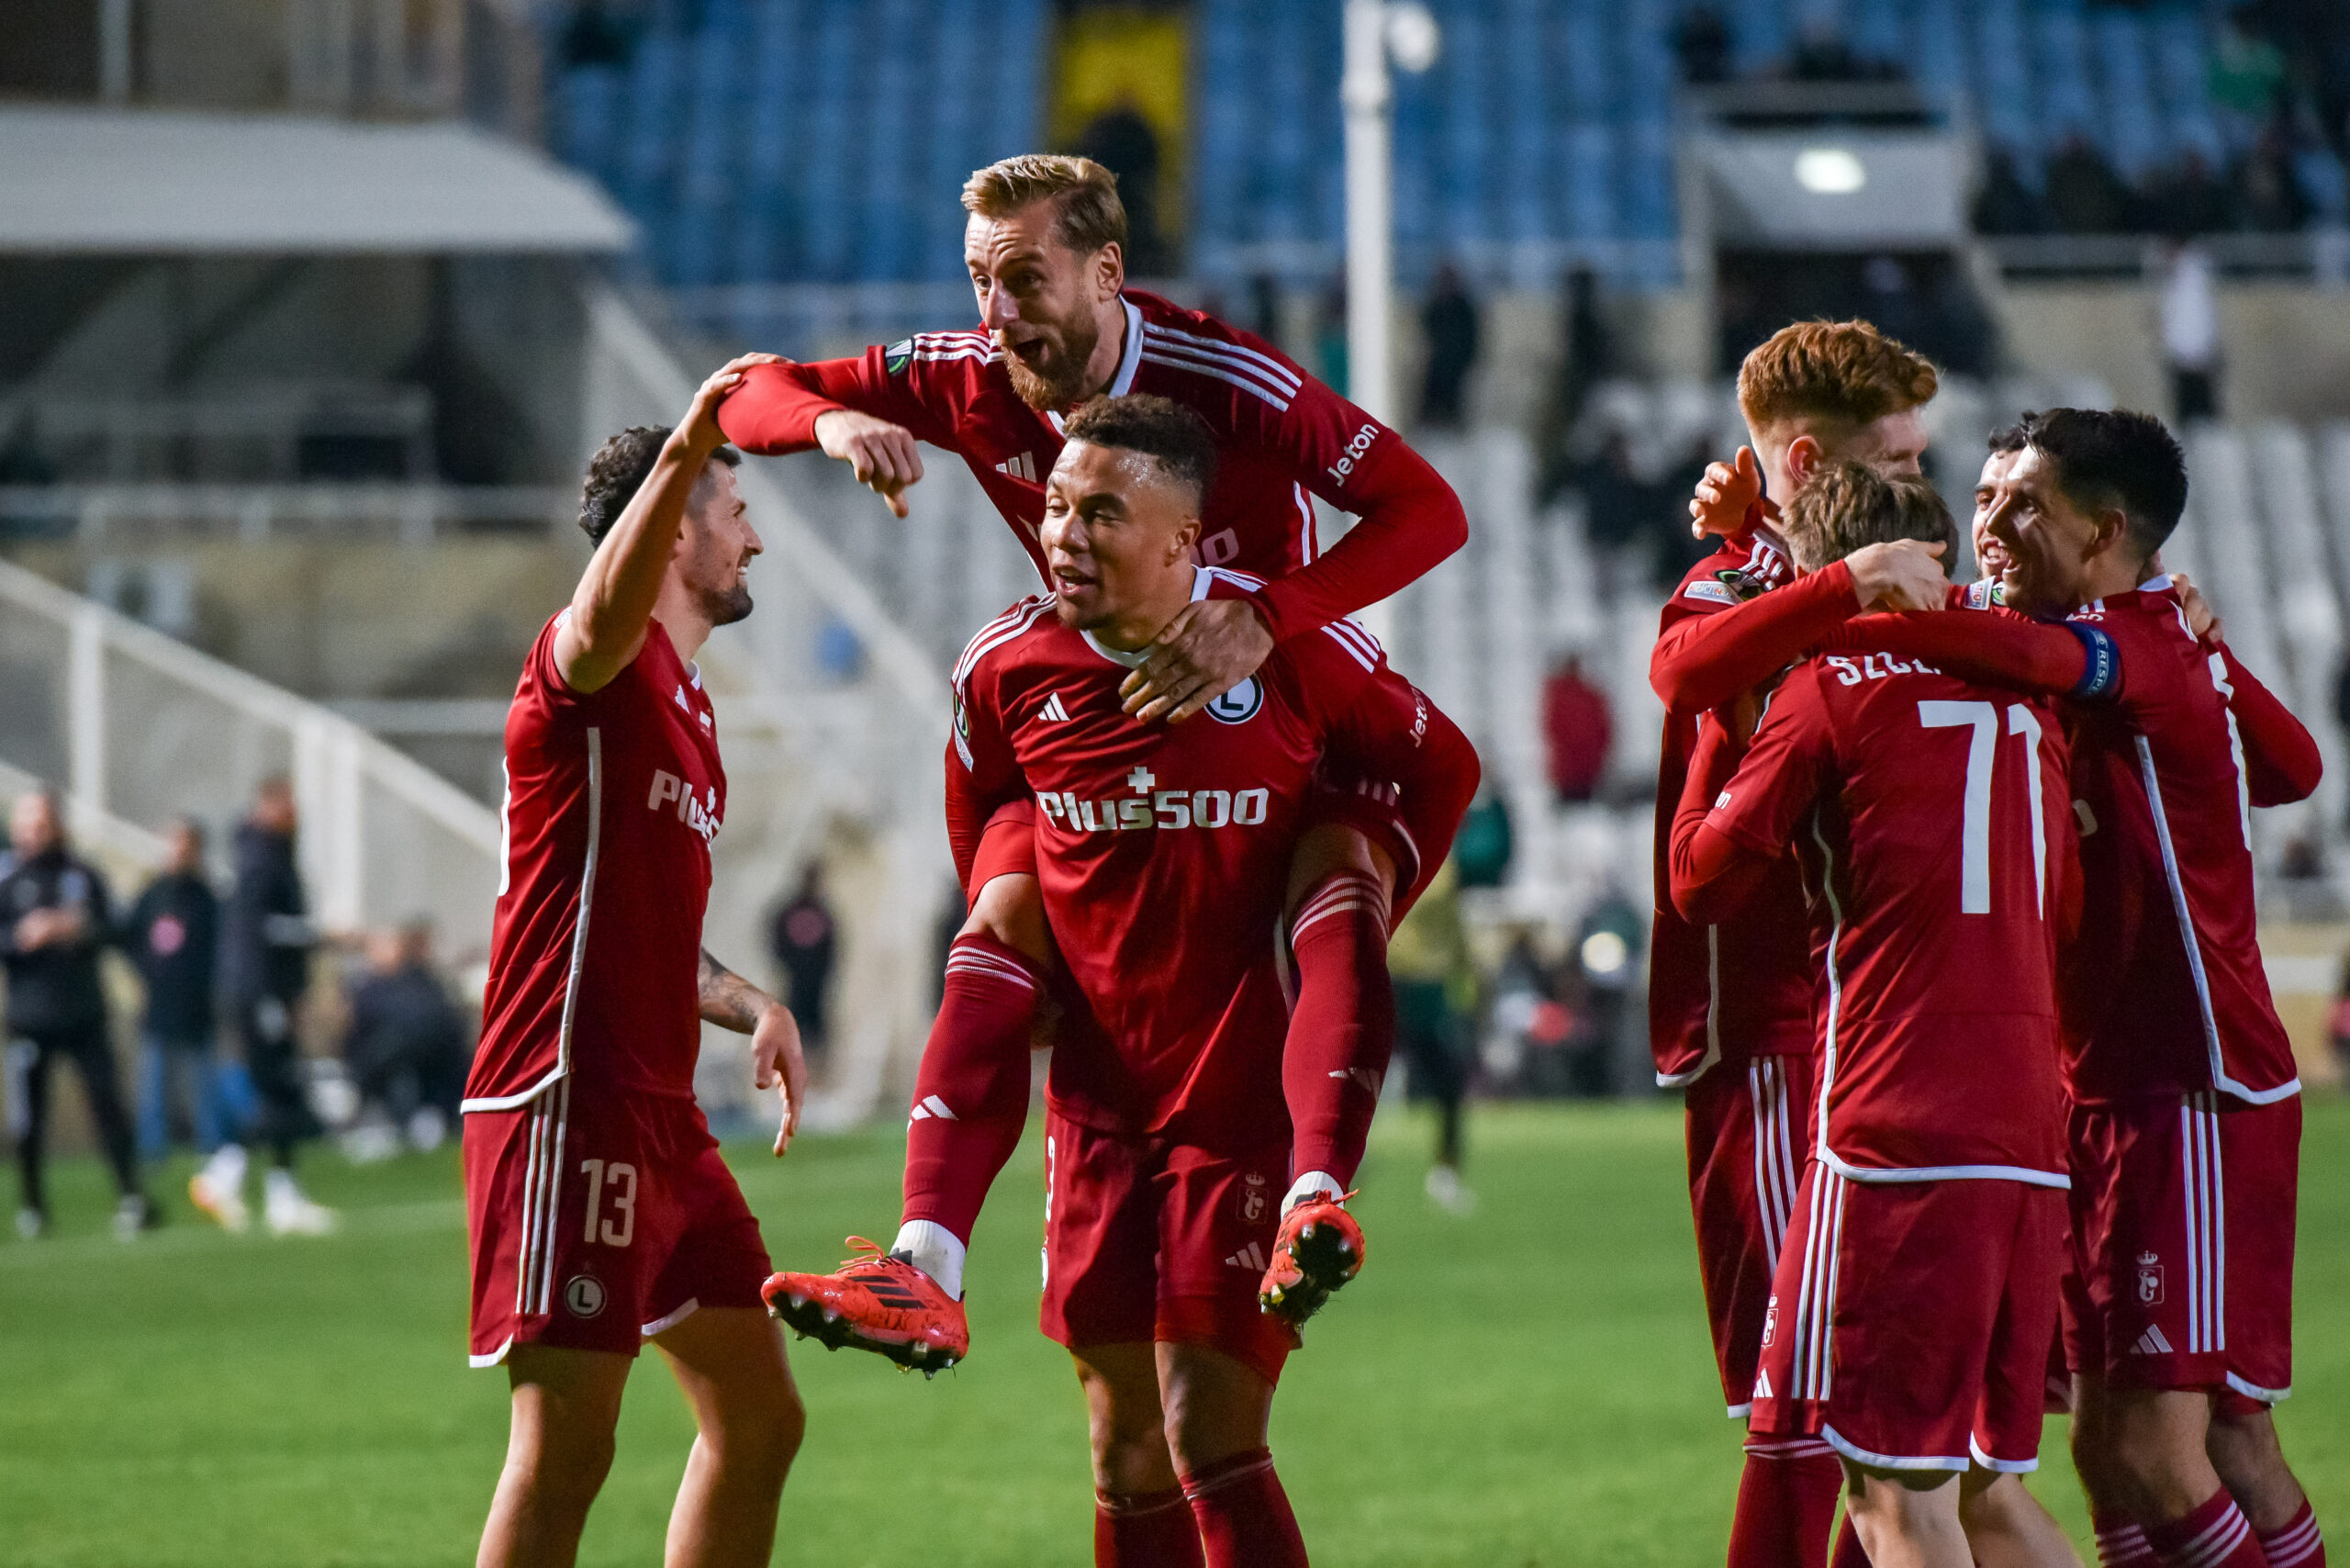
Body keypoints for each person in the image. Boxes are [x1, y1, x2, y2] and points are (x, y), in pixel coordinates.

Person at [717, 153, 1468, 1325]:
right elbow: (742, 391)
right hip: (1105, 709)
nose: (995, 312)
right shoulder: (971, 375)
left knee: (1335, 874)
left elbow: (1430, 508)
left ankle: (1318, 1189)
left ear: (1107, 270)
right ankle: (923, 1267)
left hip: (1271, 713)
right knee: (1005, 903)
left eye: (1023, 277)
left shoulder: (1229, 379)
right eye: (978, 279)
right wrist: (830, 421)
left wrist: (1267, 617)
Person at [770, 396, 1478, 1566]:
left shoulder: (1284, 648)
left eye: (1102, 511)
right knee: (1124, 1453)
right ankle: (923, 1264)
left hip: (1236, 1099)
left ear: (1183, 543)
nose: (1063, 533)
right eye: (1053, 505)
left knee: (1207, 1432)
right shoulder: (1006, 666)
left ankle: (1316, 1189)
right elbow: (980, 806)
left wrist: (1349, 891)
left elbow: (1439, 767)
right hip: (1099, 1105)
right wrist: (1023, 924)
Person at [1821, 410, 2328, 1568]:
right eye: (1984, 497)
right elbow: (2292, 767)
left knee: (2167, 1445)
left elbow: (2047, 661)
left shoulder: (2118, 640)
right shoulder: (2148, 638)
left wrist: (1841, 592)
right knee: (2121, 1446)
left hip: (2188, 1090)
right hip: (2101, 1090)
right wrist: (2217, 660)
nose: (1984, 527)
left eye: (2019, 506)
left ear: (2104, 532)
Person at [1670, 463, 2079, 1568]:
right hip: (2032, 1139)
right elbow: (2068, 905)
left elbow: (1700, 880)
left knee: (1893, 1495)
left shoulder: (1828, 687)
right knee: (1987, 1490)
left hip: (1897, 1135)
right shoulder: (2026, 696)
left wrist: (1722, 723)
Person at [463, 355, 811, 1568]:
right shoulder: (589, 661)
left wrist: (747, 1001)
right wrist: (696, 431)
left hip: (660, 1111)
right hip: (569, 1097)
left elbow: (655, 931)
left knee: (760, 1422)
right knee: (567, 1450)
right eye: (736, 513)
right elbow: (602, 612)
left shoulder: (694, 714)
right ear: (671, 529)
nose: (754, 543)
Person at [1649, 318, 1955, 1568]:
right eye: (1899, 459)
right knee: (1816, 1417)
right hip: (1774, 1036)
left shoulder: (1787, 565)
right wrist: (1832, 578)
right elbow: (1684, 667)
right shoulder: (1737, 588)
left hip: (1880, 1042)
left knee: (1872, 1427)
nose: (1921, 489)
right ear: (1821, 462)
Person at [1, 789, 155, 1239]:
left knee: (108, 1106)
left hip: (85, 1014)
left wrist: (78, 929)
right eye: (26, 822)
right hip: (29, 1019)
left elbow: (118, 928)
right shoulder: (9, 881)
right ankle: (32, 1205)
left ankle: (131, 1195)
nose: (34, 831)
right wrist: (22, 936)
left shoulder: (82, 874)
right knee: (29, 1117)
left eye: (42, 821)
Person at [192, 777, 335, 1238]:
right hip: (259, 991)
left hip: (267, 990)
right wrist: (322, 935)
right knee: (277, 1087)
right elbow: (262, 928)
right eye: (286, 804)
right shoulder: (260, 857)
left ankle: (253, 1183)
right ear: (268, 806)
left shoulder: (268, 854)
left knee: (278, 1088)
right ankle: (256, 1187)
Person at [127, 816, 224, 1160]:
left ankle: (211, 1145)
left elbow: (218, 949)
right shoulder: (152, 895)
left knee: (203, 1082)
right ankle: (152, 1149)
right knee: (154, 1084)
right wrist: (146, 975)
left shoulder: (206, 898)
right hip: (159, 1004)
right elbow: (131, 940)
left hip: (197, 1004)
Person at [1386, 857, 1474, 1210]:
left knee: (1448, 1080)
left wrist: (1462, 964)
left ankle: (1446, 1171)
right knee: (1350, 1079)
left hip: (1426, 981)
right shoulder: (1397, 848)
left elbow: (1450, 920)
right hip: (1394, 977)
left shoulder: (1443, 859)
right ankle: (1326, 1169)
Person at [342, 921, 468, 1154]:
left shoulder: (420, 983)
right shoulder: (374, 987)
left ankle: (418, 1118)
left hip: (423, 1058)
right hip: (394, 1057)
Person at [765, 867, 837, 1063]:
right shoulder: (795, 911)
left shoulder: (822, 913)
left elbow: (832, 948)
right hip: (796, 981)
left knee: (813, 1028)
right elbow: (775, 940)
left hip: (814, 983)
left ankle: (813, 1072)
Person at [1541, 653, 1613, 802]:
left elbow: (1603, 729)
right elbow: (1553, 730)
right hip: (1568, 772)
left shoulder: (1588, 694)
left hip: (1588, 770)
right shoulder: (1558, 694)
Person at [1418, 262, 1481, 429]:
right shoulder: (1435, 305)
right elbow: (1426, 330)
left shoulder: (1465, 308)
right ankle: (1430, 422)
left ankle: (1453, 423)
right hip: (1437, 361)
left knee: (1453, 385)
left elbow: (1472, 338)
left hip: (1458, 362)